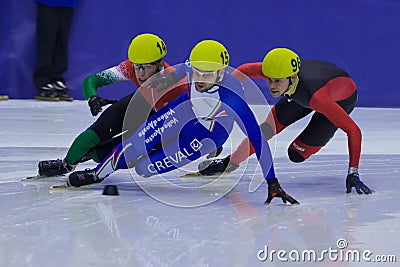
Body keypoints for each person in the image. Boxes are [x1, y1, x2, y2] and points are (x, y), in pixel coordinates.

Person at [65, 40, 299, 205]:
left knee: (143, 168)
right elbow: (166, 77)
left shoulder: (233, 100)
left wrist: (273, 182)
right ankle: (97, 174)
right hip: (183, 109)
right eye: (196, 71)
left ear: (220, 74)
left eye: (207, 74)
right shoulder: (188, 73)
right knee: (134, 144)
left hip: (204, 136)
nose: (200, 78)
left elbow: (256, 139)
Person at [198, 48, 374, 195]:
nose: (272, 86)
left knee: (296, 154)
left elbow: (354, 131)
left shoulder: (318, 97)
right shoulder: (277, 72)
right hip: (300, 94)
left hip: (338, 99)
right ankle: (229, 163)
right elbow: (243, 69)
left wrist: (353, 172)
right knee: (266, 130)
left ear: (292, 77)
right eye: (269, 80)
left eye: (277, 81)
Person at [37, 33, 187, 177]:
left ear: (159, 64)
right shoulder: (129, 68)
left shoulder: (175, 83)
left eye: (146, 67)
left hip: (163, 117)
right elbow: (91, 81)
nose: (140, 73)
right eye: (137, 66)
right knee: (91, 136)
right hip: (144, 101)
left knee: (114, 152)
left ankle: (93, 158)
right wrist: (92, 97)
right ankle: (66, 165)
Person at [33, 0, 80, 101]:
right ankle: (43, 80)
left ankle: (57, 78)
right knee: (47, 40)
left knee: (62, 42)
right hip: (47, 3)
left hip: (68, 3)